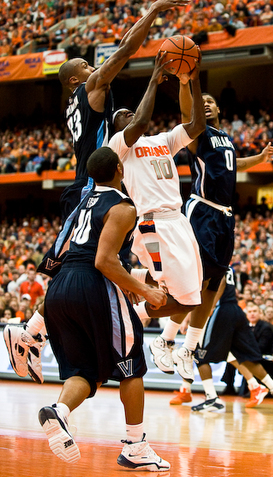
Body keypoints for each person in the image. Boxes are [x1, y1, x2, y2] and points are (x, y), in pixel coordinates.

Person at [3, 0, 191, 385]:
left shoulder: (78, 104)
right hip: (94, 188)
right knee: (88, 267)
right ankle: (30, 334)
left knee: (80, 269)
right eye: (88, 65)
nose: (95, 67)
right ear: (76, 78)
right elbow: (124, 49)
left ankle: (32, 334)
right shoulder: (89, 90)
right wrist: (153, 11)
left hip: (85, 187)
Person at [38, 146, 170, 469]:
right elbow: (104, 261)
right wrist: (144, 290)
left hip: (60, 287)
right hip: (92, 286)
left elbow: (78, 251)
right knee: (131, 363)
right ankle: (135, 445)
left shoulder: (83, 202)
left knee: (85, 371)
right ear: (119, 171)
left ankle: (60, 411)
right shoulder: (123, 207)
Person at [150, 78, 273, 383]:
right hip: (203, 210)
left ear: (218, 108)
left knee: (213, 284)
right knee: (197, 279)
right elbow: (185, 115)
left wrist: (259, 159)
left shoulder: (225, 138)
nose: (205, 104)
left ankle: (188, 348)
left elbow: (234, 166)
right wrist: (187, 83)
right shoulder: (198, 134)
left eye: (210, 101)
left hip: (225, 217)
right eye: (200, 101)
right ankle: (165, 339)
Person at [109, 48, 207, 374]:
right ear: (117, 125)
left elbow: (196, 125)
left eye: (129, 112)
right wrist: (153, 79)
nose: (129, 114)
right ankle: (143, 324)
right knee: (178, 296)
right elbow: (140, 121)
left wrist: (193, 79)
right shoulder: (120, 145)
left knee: (192, 296)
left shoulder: (164, 140)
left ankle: (134, 305)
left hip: (178, 220)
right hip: (153, 223)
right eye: (123, 113)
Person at [184, 268, 273, 412]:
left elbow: (220, 280)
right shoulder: (227, 263)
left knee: (200, 355)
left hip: (222, 311)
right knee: (246, 357)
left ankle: (211, 398)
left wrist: (211, 305)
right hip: (236, 309)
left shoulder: (213, 260)